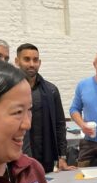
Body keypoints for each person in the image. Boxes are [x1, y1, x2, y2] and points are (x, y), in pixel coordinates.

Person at [15, 43, 74, 173]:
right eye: (26, 59)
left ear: (39, 63)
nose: (31, 64)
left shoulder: (51, 90)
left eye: (35, 60)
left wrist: (62, 156)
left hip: (44, 157)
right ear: (17, 61)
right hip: (16, 157)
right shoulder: (10, 90)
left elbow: (60, 124)